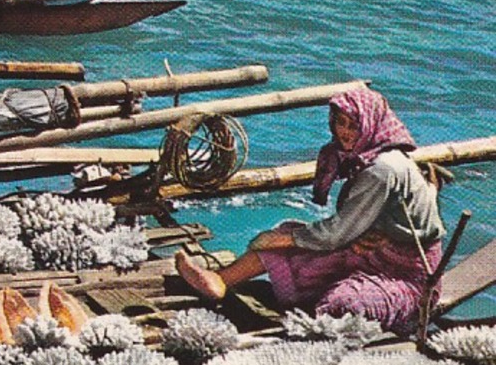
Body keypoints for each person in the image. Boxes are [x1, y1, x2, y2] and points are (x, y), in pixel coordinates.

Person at [175, 88, 445, 335]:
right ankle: (220, 281)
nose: (346, 133)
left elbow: (335, 235)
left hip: (409, 279)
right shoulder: (378, 158)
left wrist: (282, 239)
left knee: (341, 303)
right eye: (341, 123)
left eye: (354, 125)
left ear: (371, 126)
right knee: (286, 237)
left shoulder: (381, 170)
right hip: (373, 254)